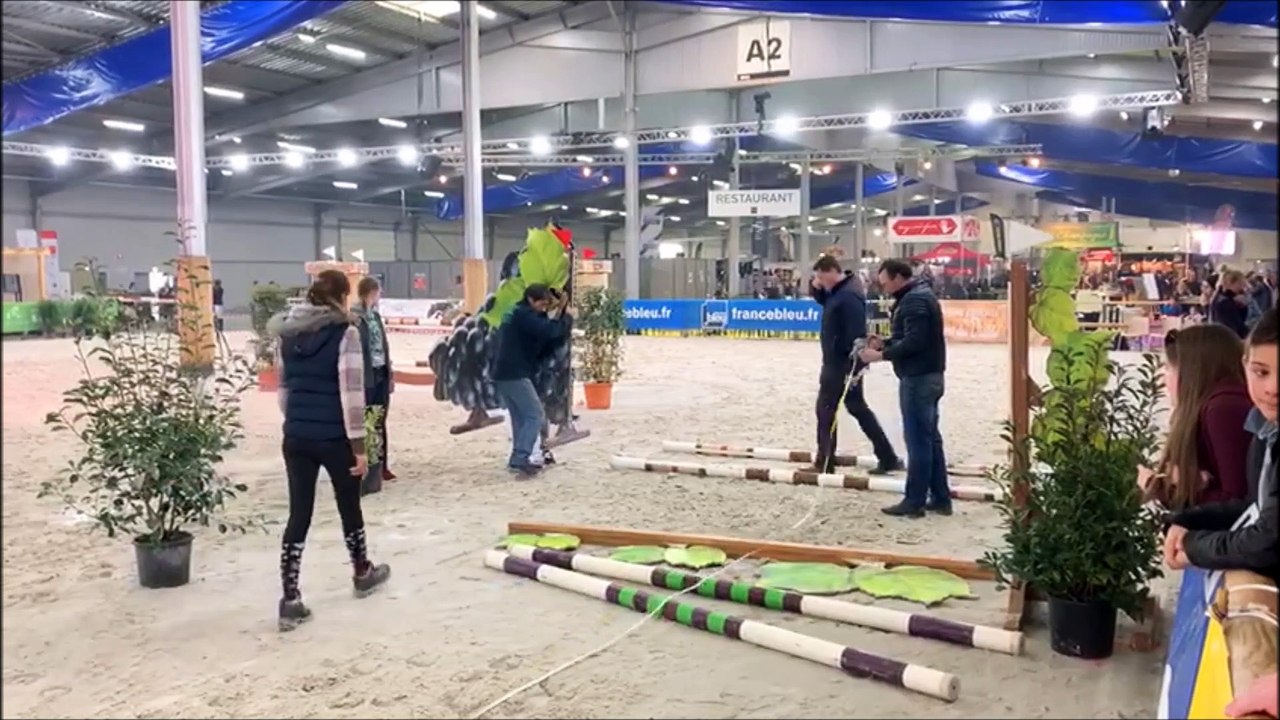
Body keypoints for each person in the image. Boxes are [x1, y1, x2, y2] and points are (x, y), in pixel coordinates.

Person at [270, 270, 391, 631]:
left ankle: (290, 598)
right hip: (335, 437)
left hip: (296, 437)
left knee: (299, 515)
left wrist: (298, 422)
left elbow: (284, 392)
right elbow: (351, 395)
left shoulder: (288, 335)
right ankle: (361, 571)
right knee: (348, 506)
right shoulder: (346, 332)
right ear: (341, 295)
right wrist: (360, 447)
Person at [1163, 308, 1278, 583]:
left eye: (1168, 367)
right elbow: (1254, 505)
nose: (1273, 387)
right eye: (1261, 372)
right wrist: (1188, 520)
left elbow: (1265, 540)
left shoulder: (1223, 409)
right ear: (1244, 365)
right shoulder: (1262, 425)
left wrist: (1193, 544)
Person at [858, 259, 949, 518]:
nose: (882, 284)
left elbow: (915, 342)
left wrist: (881, 355)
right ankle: (940, 497)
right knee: (931, 439)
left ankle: (915, 501)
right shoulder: (919, 295)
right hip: (929, 375)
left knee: (918, 441)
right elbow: (913, 337)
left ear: (898, 276)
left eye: (884, 278)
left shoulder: (913, 300)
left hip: (918, 377)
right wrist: (885, 343)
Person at [1141, 325, 1253, 511]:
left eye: (1169, 367)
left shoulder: (1223, 409)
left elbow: (1237, 503)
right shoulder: (1216, 405)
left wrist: (1163, 488)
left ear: (1192, 370)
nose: (1163, 379)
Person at [808, 255, 901, 475]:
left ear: (832, 271)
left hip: (840, 362)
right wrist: (816, 288)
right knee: (857, 407)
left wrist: (853, 362)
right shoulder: (840, 290)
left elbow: (854, 331)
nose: (821, 281)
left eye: (822, 277)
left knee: (826, 409)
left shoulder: (848, 295)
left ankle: (825, 460)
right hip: (840, 360)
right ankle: (887, 455)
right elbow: (826, 303)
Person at [490, 284, 572, 477]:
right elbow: (548, 332)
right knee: (535, 414)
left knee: (520, 417)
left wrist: (558, 312)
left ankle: (517, 458)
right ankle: (521, 457)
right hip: (515, 373)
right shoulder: (524, 316)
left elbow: (542, 332)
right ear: (531, 300)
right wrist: (567, 316)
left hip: (503, 373)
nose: (545, 308)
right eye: (542, 304)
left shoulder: (517, 313)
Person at [352, 277, 395, 482]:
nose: (380, 295)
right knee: (367, 420)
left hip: (381, 373)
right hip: (366, 375)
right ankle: (368, 465)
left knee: (379, 420)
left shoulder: (375, 317)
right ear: (371, 292)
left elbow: (383, 347)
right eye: (378, 292)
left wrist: (390, 373)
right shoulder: (355, 317)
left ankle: (381, 465)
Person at [1209, 270, 1250, 339]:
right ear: (1231, 284)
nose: (1242, 287)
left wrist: (1242, 307)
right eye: (1240, 284)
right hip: (1228, 338)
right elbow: (1235, 324)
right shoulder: (1225, 302)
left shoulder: (1221, 297)